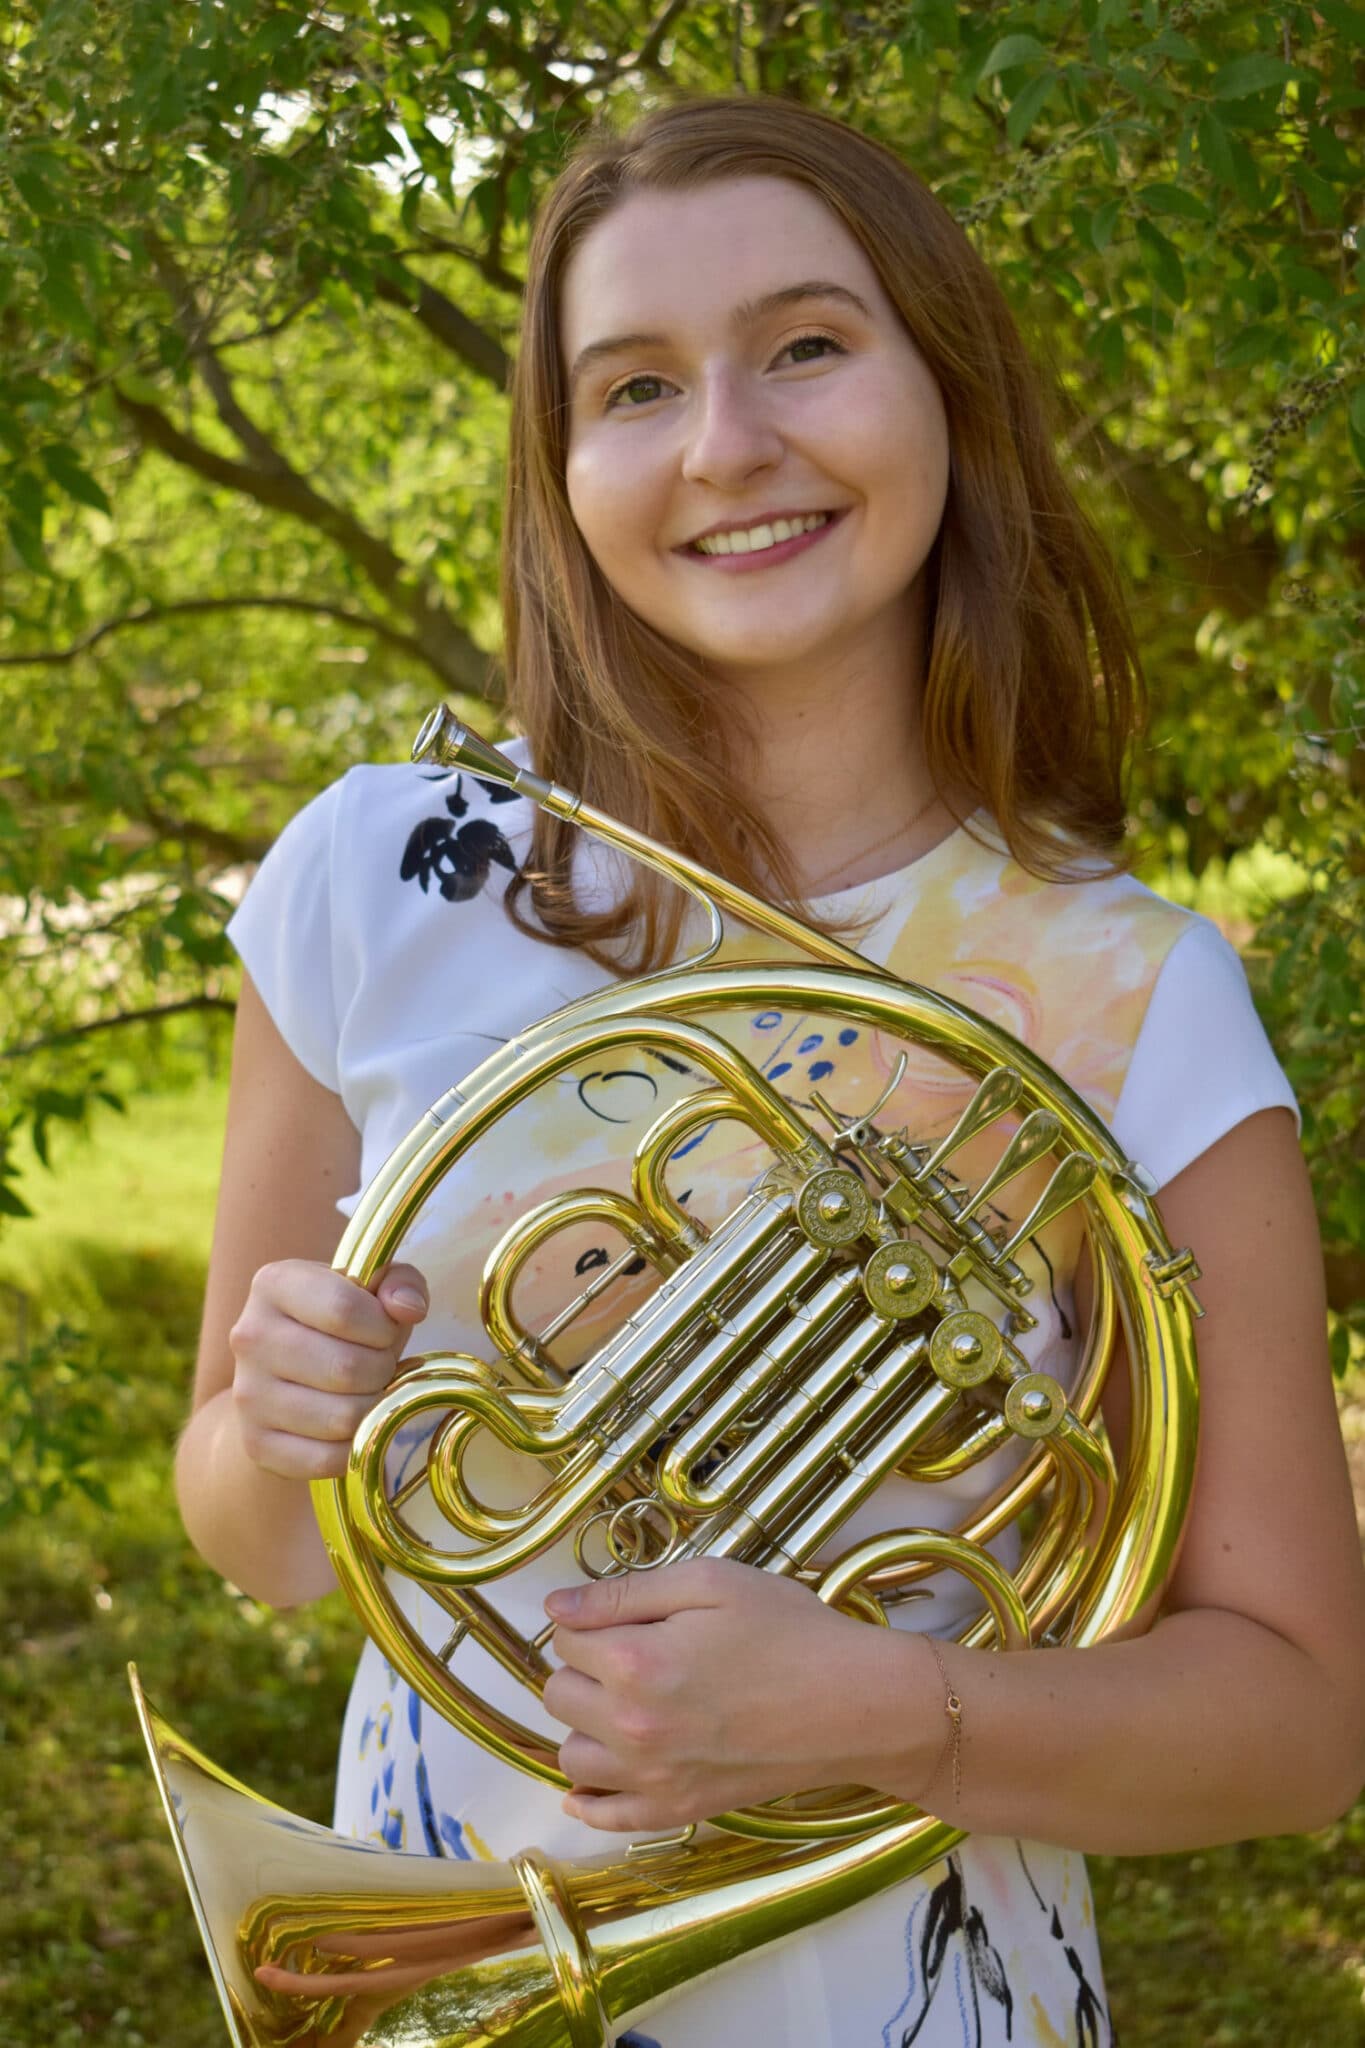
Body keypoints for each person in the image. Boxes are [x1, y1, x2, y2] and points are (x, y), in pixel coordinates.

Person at [175, 93, 1365, 2047]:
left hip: (898, 1990)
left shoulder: (1125, 995)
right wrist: (274, 1423)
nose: (725, 446)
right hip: (436, 1919)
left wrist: (888, 1707)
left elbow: (1298, 1721)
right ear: (561, 467)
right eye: (633, 386)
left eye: (805, 345)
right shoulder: (382, 876)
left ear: (944, 392)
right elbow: (253, 1541)